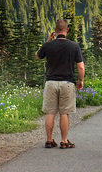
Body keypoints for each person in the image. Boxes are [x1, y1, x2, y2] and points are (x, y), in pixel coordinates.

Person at [36, 19, 85, 149]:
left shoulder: (48, 45)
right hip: (67, 83)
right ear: (67, 30)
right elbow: (80, 66)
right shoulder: (74, 46)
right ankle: (64, 141)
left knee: (50, 112)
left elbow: (38, 56)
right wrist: (80, 80)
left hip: (51, 82)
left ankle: (49, 140)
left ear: (55, 31)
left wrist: (47, 42)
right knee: (64, 113)